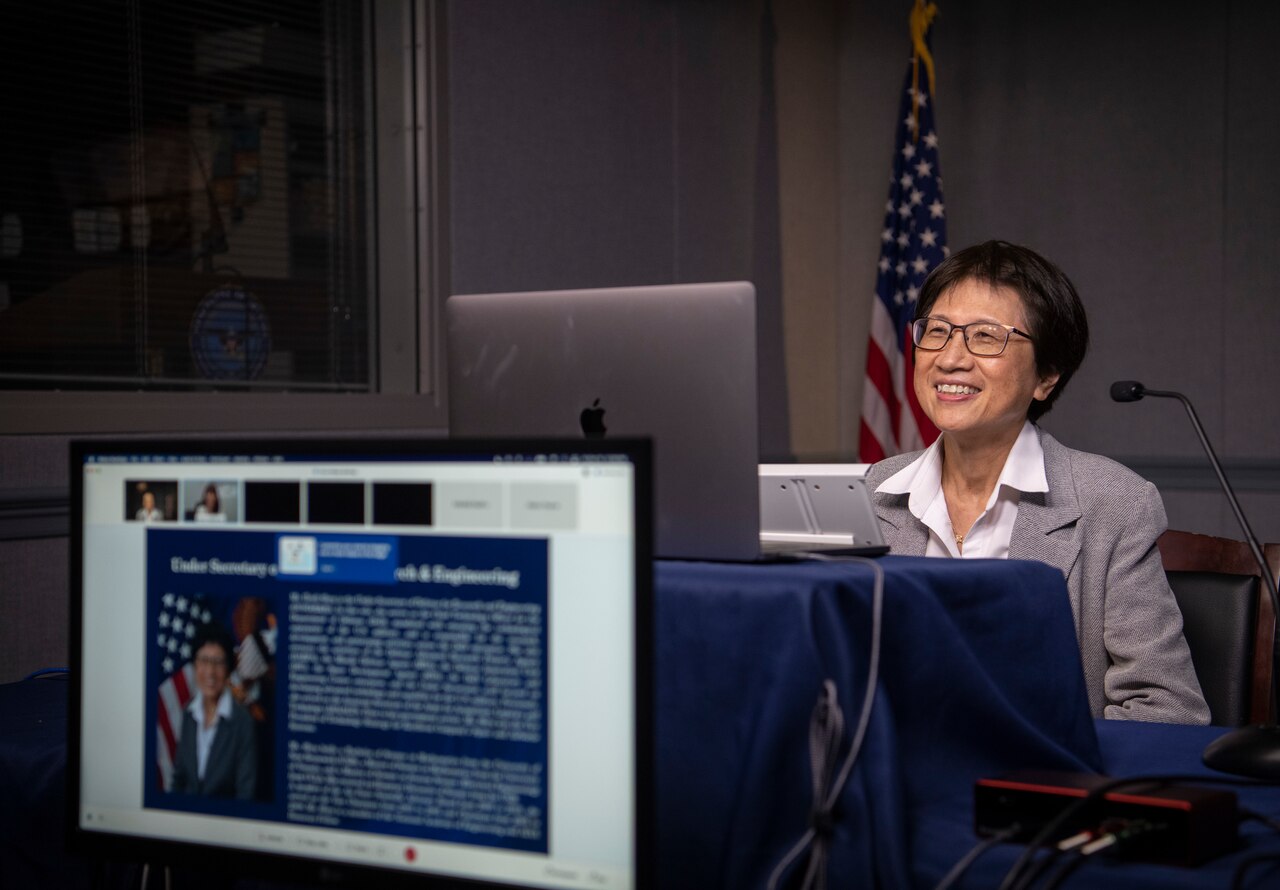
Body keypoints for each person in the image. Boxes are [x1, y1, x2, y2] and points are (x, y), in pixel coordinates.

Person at [865, 240, 1208, 725]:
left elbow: (1168, 706)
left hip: (1038, 788)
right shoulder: (872, 491)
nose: (949, 358)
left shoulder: (1112, 503)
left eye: (985, 336)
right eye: (937, 331)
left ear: (1046, 376)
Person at [170, 622, 258, 799]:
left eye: (218, 662)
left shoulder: (243, 722)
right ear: (195, 665)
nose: (210, 672)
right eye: (203, 660)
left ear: (228, 669)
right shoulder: (189, 712)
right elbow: (179, 779)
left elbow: (246, 793)